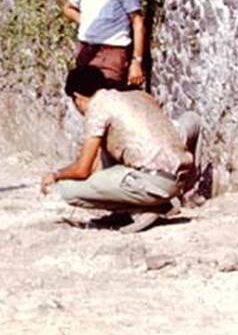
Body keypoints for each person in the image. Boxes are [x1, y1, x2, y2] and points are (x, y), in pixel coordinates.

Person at [40, 66, 202, 233]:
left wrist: (56, 175)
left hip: (152, 183)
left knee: (68, 189)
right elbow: (193, 122)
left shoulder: (97, 107)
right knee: (188, 120)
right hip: (178, 178)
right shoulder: (138, 96)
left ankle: (142, 210)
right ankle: (185, 194)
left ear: (77, 97)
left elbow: (82, 170)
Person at [63, 0, 145, 89]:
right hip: (85, 52)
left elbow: (137, 22)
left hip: (112, 54)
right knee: (84, 99)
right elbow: (68, 8)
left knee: (107, 99)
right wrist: (88, 23)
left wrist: (136, 62)